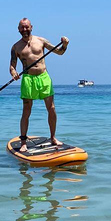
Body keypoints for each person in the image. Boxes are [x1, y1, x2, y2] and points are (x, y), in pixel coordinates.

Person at [10, 18, 69, 152]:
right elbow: (12, 66)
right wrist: (13, 72)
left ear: (31, 27)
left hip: (43, 77)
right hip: (28, 79)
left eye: (27, 27)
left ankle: (53, 137)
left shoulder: (41, 41)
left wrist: (65, 44)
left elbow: (59, 52)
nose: (24, 30)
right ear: (18, 29)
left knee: (51, 108)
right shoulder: (16, 47)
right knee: (26, 110)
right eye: (22, 27)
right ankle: (23, 142)